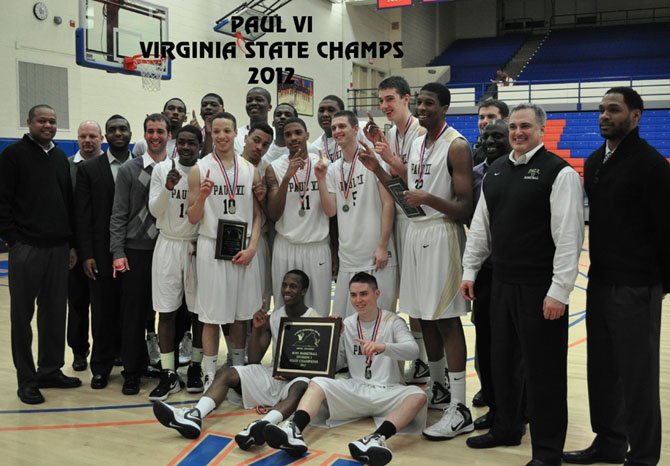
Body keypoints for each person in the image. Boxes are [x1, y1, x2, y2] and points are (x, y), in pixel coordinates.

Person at [462, 103, 583, 466]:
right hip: (500, 282)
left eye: (525, 126)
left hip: (539, 288)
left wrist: (559, 291)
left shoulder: (558, 173)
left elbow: (568, 238)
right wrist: (470, 271)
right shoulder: (496, 171)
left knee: (543, 371)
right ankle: (506, 427)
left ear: (541, 130)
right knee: (501, 363)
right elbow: (481, 228)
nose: (517, 132)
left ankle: (547, 452)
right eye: (513, 126)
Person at [563, 87, 670, 466]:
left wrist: (659, 286)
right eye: (601, 110)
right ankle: (608, 442)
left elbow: (667, 229)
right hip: (601, 283)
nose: (605, 116)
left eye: (614, 110)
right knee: (603, 369)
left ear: (636, 116)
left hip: (637, 286)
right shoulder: (594, 162)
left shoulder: (652, 166)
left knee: (637, 377)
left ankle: (642, 456)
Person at [264, 272, 427, 466]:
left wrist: (383, 347)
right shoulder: (348, 324)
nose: (358, 300)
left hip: (387, 391)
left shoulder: (393, 321)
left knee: (418, 395)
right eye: (354, 295)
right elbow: (337, 365)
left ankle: (375, 439)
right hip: (355, 388)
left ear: (377, 294)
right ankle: (293, 429)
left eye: (364, 294)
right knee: (317, 382)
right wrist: (334, 338)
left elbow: (413, 350)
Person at [385, 83, 474, 434]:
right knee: (424, 316)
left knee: (448, 319)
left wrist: (430, 198)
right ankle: (439, 387)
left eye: (429, 103)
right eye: (419, 102)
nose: (422, 108)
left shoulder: (458, 146)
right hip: (416, 232)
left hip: (443, 234)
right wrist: (383, 170)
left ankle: (461, 406)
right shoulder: (418, 142)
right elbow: (412, 185)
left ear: (445, 107)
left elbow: (465, 207)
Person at [152, 270, 320, 446]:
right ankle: (195, 415)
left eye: (293, 286)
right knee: (227, 373)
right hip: (274, 376)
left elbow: (317, 367)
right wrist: (256, 329)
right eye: (284, 285)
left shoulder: (315, 318)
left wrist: (290, 374)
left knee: (302, 385)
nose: (287, 289)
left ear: (304, 291)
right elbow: (255, 359)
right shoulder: (276, 316)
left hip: (296, 380)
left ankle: (263, 424)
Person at [0, 104, 81, 404]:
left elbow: (68, 204)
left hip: (58, 248)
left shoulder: (60, 157)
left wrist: (72, 244)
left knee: (55, 313)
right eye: (42, 121)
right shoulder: (13, 156)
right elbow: (3, 201)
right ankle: (27, 379)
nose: (47, 125)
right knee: (22, 316)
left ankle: (50, 369)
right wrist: (13, 239)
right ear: (29, 122)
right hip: (26, 248)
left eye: (52, 121)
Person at [187, 111, 262, 390]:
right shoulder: (199, 169)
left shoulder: (248, 169)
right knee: (211, 316)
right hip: (211, 247)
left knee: (241, 314)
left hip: (242, 248)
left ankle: (238, 370)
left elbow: (258, 214)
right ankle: (209, 374)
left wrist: (253, 246)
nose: (221, 136)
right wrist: (203, 197)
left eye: (226, 131)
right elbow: (193, 218)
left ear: (235, 133)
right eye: (216, 131)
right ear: (210, 134)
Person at [366, 76, 429, 384]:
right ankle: (419, 359)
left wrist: (389, 159)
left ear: (407, 99)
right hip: (401, 218)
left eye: (390, 99)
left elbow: (417, 179)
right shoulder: (390, 133)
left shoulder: (420, 132)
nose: (384, 105)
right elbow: (391, 177)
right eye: (381, 101)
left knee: (420, 297)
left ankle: (426, 360)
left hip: (423, 221)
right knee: (408, 296)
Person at [315, 110, 397, 318]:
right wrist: (321, 179)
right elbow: (330, 210)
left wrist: (382, 245)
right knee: (343, 323)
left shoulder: (375, 159)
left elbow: (389, 204)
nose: (337, 131)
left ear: (356, 129)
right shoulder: (333, 169)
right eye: (334, 128)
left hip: (377, 256)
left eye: (342, 126)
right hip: (349, 257)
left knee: (380, 321)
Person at [110, 113, 170, 395]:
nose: (155, 136)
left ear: (169, 134)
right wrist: (117, 251)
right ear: (144, 135)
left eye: (160, 131)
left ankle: (169, 369)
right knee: (133, 314)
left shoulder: (178, 169)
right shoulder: (129, 170)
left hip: (169, 248)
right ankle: (132, 371)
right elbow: (119, 214)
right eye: (150, 131)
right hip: (137, 250)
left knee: (170, 311)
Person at [76, 114, 133, 389]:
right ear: (105, 137)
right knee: (101, 311)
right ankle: (100, 366)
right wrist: (86, 254)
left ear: (131, 133)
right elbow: (82, 217)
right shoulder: (90, 169)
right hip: (99, 252)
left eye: (123, 128)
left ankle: (128, 358)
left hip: (133, 251)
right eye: (112, 130)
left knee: (131, 308)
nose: (118, 133)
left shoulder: (141, 166)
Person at [147, 125, 204, 400]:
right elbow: (154, 210)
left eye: (191, 142)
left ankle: (195, 366)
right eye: (181, 142)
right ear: (174, 144)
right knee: (166, 312)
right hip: (168, 244)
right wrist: (168, 189)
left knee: (199, 313)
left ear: (199, 145)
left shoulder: (205, 170)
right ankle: (168, 373)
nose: (185, 147)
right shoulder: (160, 170)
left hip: (196, 245)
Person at [469, 119, 512, 430]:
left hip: (516, 270)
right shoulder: (476, 176)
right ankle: (496, 405)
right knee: (486, 340)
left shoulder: (523, 172)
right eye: (486, 137)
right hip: (485, 269)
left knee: (513, 345)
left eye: (499, 135)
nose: (492, 141)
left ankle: (519, 408)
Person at [266, 117, 332, 316]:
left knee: (318, 310)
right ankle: (282, 347)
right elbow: (274, 213)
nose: (293, 138)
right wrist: (287, 177)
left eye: (297, 133)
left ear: (307, 135)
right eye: (288, 135)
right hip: (286, 245)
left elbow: (333, 213)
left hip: (317, 245)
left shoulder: (324, 165)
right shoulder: (274, 168)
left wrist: (336, 250)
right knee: (282, 309)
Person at [68, 121, 105, 372]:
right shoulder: (66, 166)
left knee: (105, 305)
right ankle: (79, 351)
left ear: (101, 138)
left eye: (92, 136)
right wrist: (71, 247)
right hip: (76, 248)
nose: (88, 140)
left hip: (104, 247)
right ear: (77, 139)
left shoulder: (112, 166)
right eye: (83, 136)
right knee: (78, 304)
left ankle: (108, 349)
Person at [240, 122, 274, 310]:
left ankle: (255, 340)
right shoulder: (229, 165)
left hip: (258, 240)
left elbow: (273, 215)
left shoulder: (268, 170)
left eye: (265, 144)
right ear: (245, 139)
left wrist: (262, 199)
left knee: (259, 302)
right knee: (233, 301)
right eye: (256, 140)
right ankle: (236, 341)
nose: (259, 147)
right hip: (231, 239)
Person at [260, 102, 299, 171]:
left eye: (288, 115)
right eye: (278, 115)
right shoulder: (264, 148)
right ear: (273, 123)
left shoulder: (303, 148)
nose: (282, 117)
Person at [234, 87, 273, 154]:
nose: (253, 103)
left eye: (259, 100)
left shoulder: (276, 134)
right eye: (249, 100)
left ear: (269, 107)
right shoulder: (236, 135)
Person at [473, 99, 510, 166]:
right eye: (481, 117)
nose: (485, 121)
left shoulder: (518, 155)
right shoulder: (473, 157)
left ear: (506, 121)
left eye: (491, 117)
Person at [189, 93, 224, 158]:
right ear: (200, 112)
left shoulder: (232, 134)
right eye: (204, 105)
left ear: (222, 110)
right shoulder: (196, 135)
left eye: (213, 105)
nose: (208, 107)